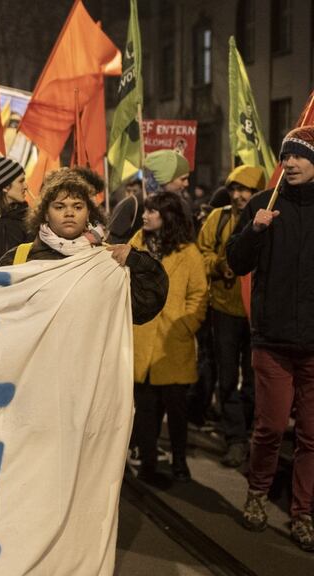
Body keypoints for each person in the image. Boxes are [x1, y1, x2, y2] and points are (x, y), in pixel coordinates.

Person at [227, 126, 314, 551]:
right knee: (271, 428)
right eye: (287, 156)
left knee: (312, 436)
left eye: (300, 156)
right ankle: (258, 494)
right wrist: (254, 231)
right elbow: (236, 263)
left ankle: (303, 512)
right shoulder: (264, 204)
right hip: (273, 342)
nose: (291, 163)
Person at [0, 168, 168, 326]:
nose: (69, 213)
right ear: (46, 214)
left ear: (88, 213)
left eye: (77, 206)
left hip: (87, 359)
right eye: (59, 206)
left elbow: (146, 306)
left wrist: (138, 261)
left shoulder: (108, 260)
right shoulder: (19, 258)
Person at [128, 191, 208, 486]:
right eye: (146, 210)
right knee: (145, 409)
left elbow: (198, 295)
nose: (145, 215)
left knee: (176, 410)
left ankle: (179, 460)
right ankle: (148, 462)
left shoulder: (188, 253)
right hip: (141, 338)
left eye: (152, 211)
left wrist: (186, 326)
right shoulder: (134, 246)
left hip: (173, 342)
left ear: (168, 217)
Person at [197, 166, 265, 468]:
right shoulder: (218, 217)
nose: (238, 196)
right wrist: (219, 265)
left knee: (254, 380)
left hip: (258, 315)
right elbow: (201, 253)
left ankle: (249, 431)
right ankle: (235, 438)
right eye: (234, 189)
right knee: (226, 378)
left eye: (245, 190)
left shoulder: (269, 216)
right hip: (224, 310)